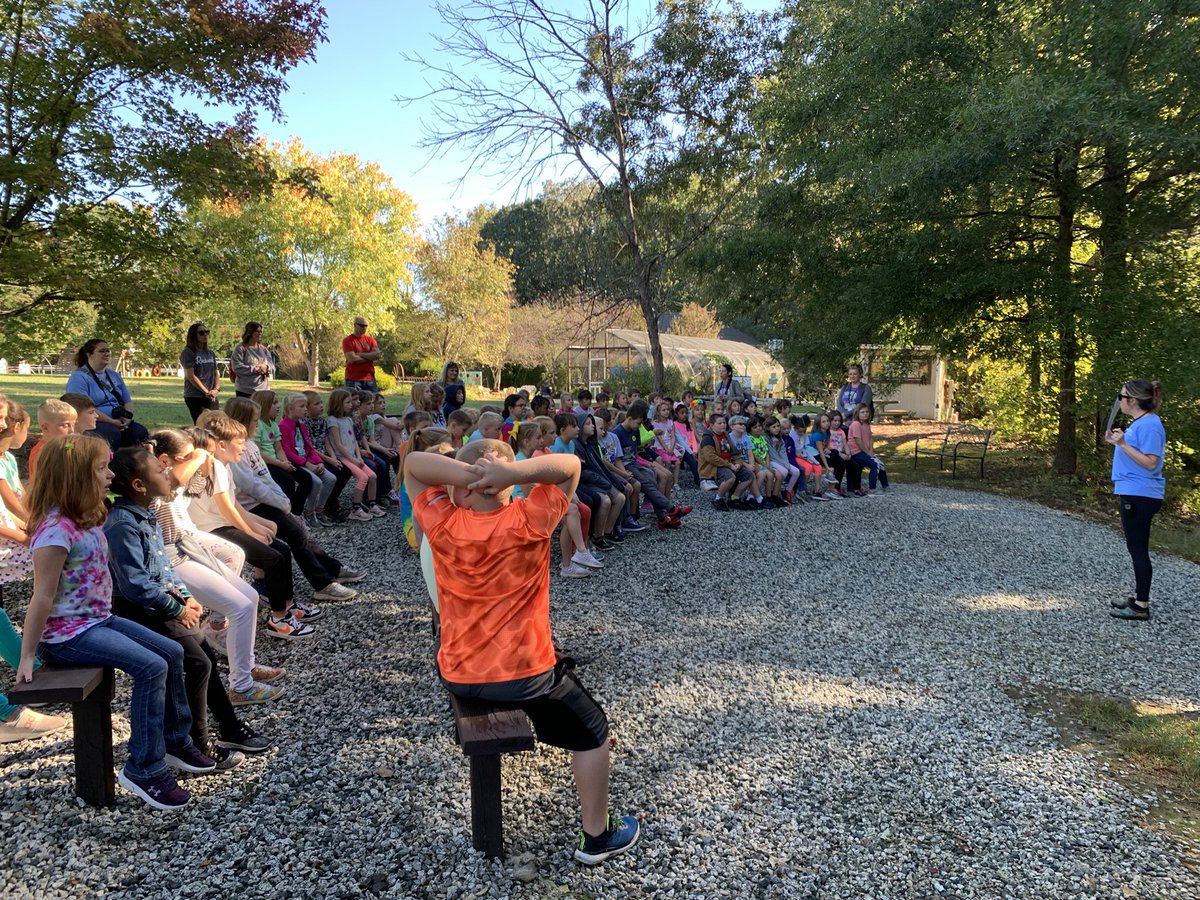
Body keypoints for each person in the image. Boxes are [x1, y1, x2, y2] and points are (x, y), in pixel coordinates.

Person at [405, 442, 640, 864]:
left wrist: (468, 475)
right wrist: (510, 474)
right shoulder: (529, 519)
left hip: (459, 671)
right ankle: (598, 837)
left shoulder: (441, 522)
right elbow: (569, 465)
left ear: (457, 490)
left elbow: (415, 465)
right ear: (510, 488)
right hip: (524, 677)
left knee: (562, 689)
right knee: (594, 732)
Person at [17, 435, 214, 810]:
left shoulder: (89, 515)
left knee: (172, 651)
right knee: (151, 665)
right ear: (76, 476)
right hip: (66, 635)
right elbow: (41, 596)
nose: (111, 475)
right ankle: (144, 768)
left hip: (97, 620)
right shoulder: (55, 531)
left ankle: (175, 740)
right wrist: (28, 655)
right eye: (102, 469)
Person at [103, 447, 269, 770]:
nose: (167, 474)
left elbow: (163, 565)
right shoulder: (122, 524)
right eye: (159, 471)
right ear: (139, 485)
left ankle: (228, 727)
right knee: (198, 663)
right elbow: (135, 585)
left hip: (163, 603)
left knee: (205, 657)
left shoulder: (146, 512)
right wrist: (176, 608)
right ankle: (194, 742)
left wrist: (185, 597)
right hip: (141, 611)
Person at [1106, 380, 1166, 621]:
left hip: (1141, 494)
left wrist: (1122, 444)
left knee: (1138, 548)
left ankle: (1141, 606)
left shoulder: (1150, 425)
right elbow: (1134, 454)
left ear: (1132, 400)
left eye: (1120, 396)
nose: (1118, 400)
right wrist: (1118, 442)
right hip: (1135, 491)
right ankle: (1138, 596)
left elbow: (1151, 462)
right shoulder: (1141, 423)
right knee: (1135, 547)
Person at [64, 338, 151, 450]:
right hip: (94, 422)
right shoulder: (79, 377)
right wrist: (112, 422)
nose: (106, 354)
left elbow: (127, 401)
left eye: (108, 351)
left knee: (140, 432)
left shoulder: (114, 375)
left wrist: (126, 420)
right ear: (89, 354)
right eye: (102, 351)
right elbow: (81, 407)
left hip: (120, 421)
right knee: (111, 434)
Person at [326, 389, 383, 521]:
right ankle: (356, 509)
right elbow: (338, 444)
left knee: (372, 476)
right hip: (343, 457)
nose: (351, 404)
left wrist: (358, 456)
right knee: (363, 477)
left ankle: (372, 504)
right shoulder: (333, 421)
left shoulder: (349, 420)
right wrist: (352, 459)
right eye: (348, 402)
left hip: (353, 457)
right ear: (338, 403)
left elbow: (355, 441)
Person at [28, 399, 77, 484]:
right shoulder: (41, 451)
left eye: (73, 425)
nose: (72, 430)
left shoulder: (68, 445)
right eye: (65, 425)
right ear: (45, 427)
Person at [181, 322, 220, 422]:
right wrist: (206, 392)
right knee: (202, 424)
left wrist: (216, 389)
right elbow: (191, 376)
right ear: (194, 335)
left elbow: (216, 373)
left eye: (207, 332)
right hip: (195, 396)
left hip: (211, 395)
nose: (205, 335)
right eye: (201, 333)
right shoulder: (188, 352)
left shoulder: (210, 353)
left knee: (216, 424)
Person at [847, 402, 889, 496]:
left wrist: (871, 451)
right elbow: (858, 441)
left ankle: (885, 485)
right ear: (857, 413)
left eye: (867, 412)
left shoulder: (866, 424)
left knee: (880, 464)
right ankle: (872, 489)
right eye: (862, 412)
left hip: (865, 451)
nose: (865, 414)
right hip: (856, 452)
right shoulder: (856, 424)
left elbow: (870, 438)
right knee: (874, 464)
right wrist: (868, 453)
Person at [230, 322, 275, 398]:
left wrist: (266, 368)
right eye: (257, 332)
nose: (260, 334)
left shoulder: (264, 349)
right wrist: (255, 369)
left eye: (261, 332)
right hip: (245, 391)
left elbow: (272, 367)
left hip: (263, 391)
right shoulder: (240, 348)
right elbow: (236, 367)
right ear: (250, 333)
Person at [342, 316, 381, 392]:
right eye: (362, 325)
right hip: (353, 380)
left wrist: (360, 354)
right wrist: (370, 357)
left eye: (366, 326)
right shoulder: (348, 340)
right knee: (354, 403)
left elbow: (377, 355)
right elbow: (352, 359)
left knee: (372, 403)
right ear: (355, 325)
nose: (364, 328)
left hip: (370, 379)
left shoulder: (370, 339)